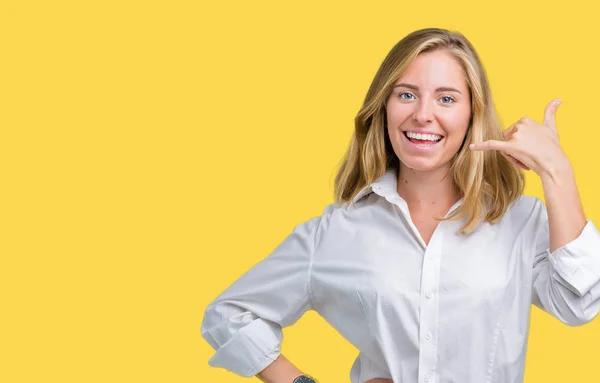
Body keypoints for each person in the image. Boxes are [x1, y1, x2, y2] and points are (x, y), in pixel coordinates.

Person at [200, 28, 600, 383]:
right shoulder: (337, 231)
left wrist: (556, 170)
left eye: (446, 98)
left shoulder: (521, 222)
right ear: (384, 107)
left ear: (472, 113)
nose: (423, 115)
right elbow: (229, 314)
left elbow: (578, 304)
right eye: (406, 94)